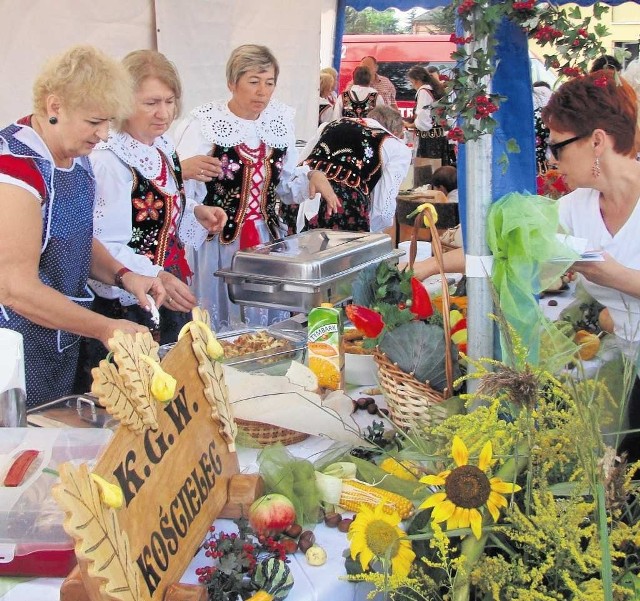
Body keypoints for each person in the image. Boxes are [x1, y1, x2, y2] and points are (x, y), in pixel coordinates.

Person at [0, 45, 166, 408]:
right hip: (12, 347)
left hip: (60, 339)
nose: (104, 134)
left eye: (108, 122)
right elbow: (14, 287)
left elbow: (73, 237)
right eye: (94, 122)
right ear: (54, 106)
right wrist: (105, 328)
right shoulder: (15, 171)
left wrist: (125, 275)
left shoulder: (75, 156)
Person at [75, 50, 228, 390]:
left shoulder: (163, 147)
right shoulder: (109, 161)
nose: (164, 113)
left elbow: (157, 207)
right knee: (137, 397)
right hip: (124, 302)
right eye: (151, 103)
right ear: (124, 103)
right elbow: (101, 244)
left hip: (163, 288)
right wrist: (152, 275)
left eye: (170, 101)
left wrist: (194, 212)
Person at [174, 44, 338, 330]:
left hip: (266, 241)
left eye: (269, 82)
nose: (263, 91)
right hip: (218, 244)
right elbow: (181, 188)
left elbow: (285, 185)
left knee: (264, 325)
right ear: (232, 83)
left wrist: (310, 177)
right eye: (254, 82)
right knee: (220, 324)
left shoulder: (278, 122)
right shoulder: (206, 124)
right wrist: (197, 204)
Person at [542, 70, 640, 457]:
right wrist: (430, 267)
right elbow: (511, 248)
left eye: (557, 147)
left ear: (597, 140)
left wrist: (616, 278)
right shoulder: (575, 208)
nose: (553, 160)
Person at [296, 105, 411, 233]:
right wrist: (372, 232)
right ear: (395, 132)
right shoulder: (396, 146)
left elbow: (298, 166)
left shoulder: (330, 125)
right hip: (342, 209)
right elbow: (383, 211)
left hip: (300, 199)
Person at [404, 65, 454, 184]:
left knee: (427, 177)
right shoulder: (435, 89)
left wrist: (410, 125)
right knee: (441, 175)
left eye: (411, 82)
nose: (412, 85)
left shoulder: (423, 91)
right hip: (440, 138)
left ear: (416, 81)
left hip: (429, 141)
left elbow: (423, 122)